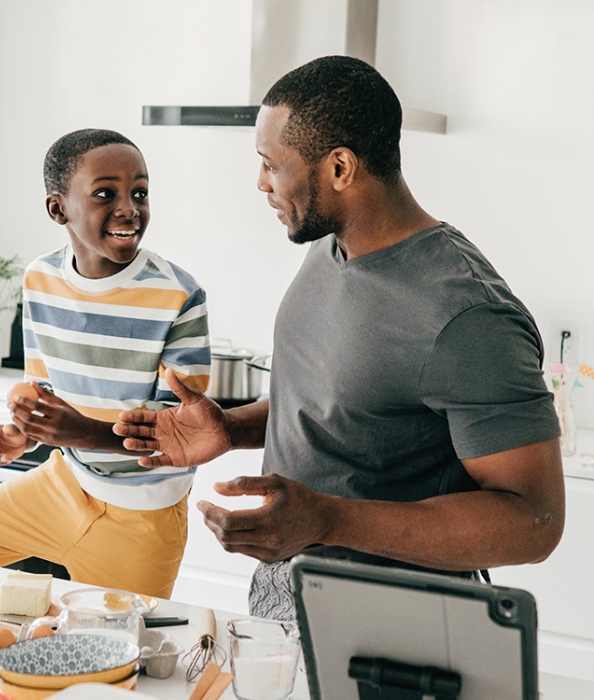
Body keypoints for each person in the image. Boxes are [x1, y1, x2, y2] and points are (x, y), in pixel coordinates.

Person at [112, 56, 565, 620]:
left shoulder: (465, 315)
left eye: (271, 165)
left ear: (340, 168)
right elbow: (344, 403)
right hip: (287, 587)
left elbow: (534, 522)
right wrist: (231, 428)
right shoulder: (330, 247)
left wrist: (327, 519)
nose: (260, 183)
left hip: (397, 621)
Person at [0, 128, 211, 599]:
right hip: (62, 484)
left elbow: (178, 435)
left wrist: (78, 432)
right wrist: (24, 432)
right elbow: (43, 388)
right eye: (106, 193)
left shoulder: (179, 295)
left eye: (139, 192)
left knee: (116, 661)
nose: (129, 208)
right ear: (58, 208)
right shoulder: (40, 277)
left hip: (142, 516)